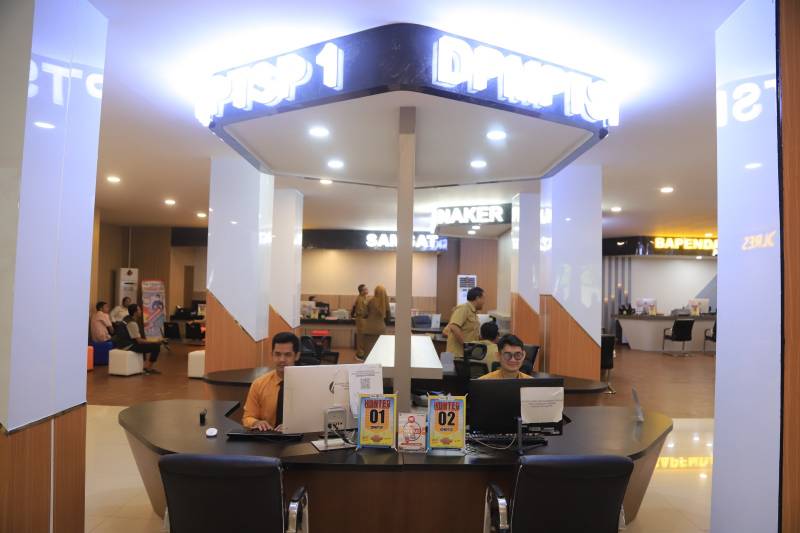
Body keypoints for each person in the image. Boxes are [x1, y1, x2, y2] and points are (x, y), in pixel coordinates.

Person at [242, 332, 301, 431]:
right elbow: (247, 417)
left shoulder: (309, 385)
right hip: (267, 437)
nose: (282, 359)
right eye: (277, 354)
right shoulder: (258, 384)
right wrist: (256, 422)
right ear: (272, 355)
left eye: (287, 355)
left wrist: (293, 425)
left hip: (300, 437)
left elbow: (316, 417)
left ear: (297, 356)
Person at [122, 303, 162, 374]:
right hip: (128, 345)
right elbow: (139, 341)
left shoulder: (126, 318)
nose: (141, 311)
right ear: (135, 312)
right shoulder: (132, 323)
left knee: (151, 344)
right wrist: (154, 342)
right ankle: (149, 368)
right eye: (139, 310)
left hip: (125, 343)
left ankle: (145, 366)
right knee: (156, 346)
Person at [444, 287, 484, 357]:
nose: (484, 302)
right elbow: (454, 326)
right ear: (477, 298)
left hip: (465, 355)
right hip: (457, 355)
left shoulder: (473, 313)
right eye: (483, 298)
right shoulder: (464, 308)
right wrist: (465, 345)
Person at [362, 285, 390, 356]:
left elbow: (364, 314)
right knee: (380, 352)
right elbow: (388, 318)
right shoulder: (386, 302)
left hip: (369, 329)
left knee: (368, 353)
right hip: (380, 329)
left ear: (375, 291)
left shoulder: (370, 300)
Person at [353, 284, 369, 360]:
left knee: (363, 337)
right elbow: (360, 311)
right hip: (361, 320)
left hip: (364, 320)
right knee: (361, 337)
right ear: (361, 291)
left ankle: (362, 353)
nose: (367, 290)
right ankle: (360, 354)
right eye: (365, 289)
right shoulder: (360, 299)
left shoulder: (364, 298)